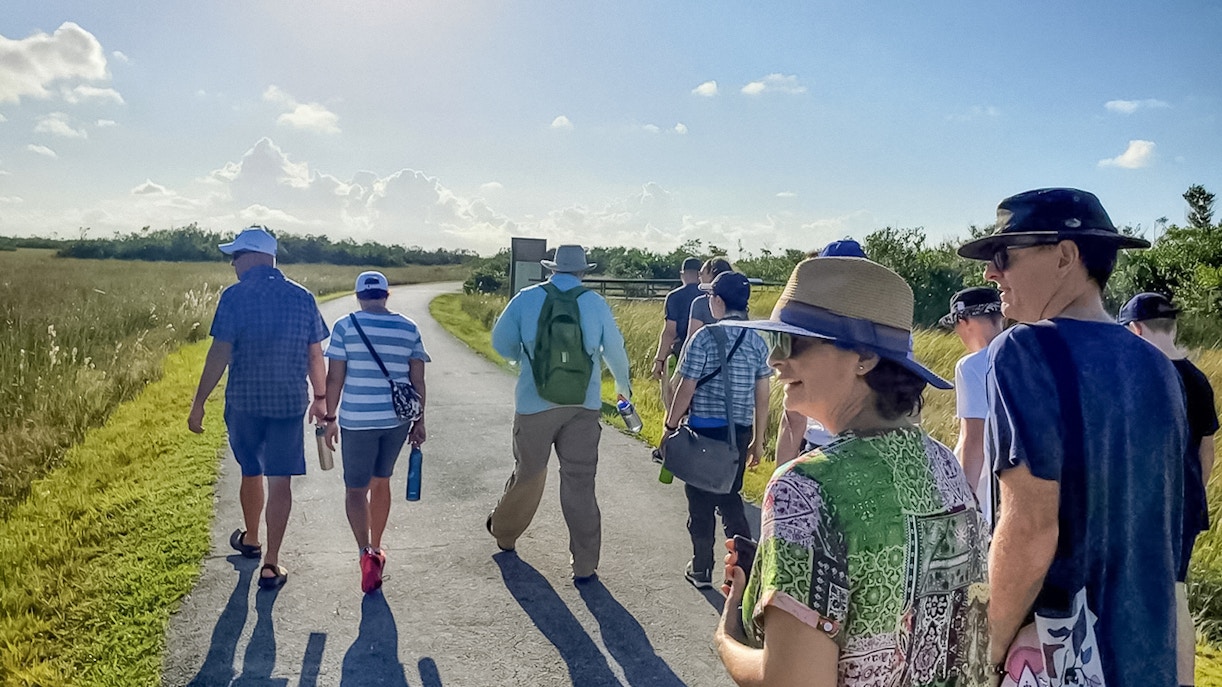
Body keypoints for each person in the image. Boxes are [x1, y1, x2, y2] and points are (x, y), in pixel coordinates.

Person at [716, 256, 988, 685]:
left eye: (792, 342)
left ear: (863, 356)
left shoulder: (805, 488)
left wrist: (728, 632)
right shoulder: (944, 466)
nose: (774, 359)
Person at [957, 188, 1187, 685]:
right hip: (1146, 648)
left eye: (1003, 256)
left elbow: (1030, 528)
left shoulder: (1023, 349)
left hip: (1062, 655)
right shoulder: (1158, 366)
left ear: (1065, 256)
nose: (989, 273)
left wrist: (986, 652)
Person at [188, 226, 329, 590]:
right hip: (288, 402)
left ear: (253, 257)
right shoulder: (303, 297)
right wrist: (321, 399)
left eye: (235, 256)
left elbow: (220, 351)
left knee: (250, 470)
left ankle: (251, 538)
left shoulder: (234, 297)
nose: (232, 264)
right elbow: (316, 354)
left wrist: (199, 402)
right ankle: (271, 563)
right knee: (279, 480)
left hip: (244, 402)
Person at [486, 244, 632, 582]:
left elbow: (500, 341)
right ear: (583, 271)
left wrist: (521, 360)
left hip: (534, 403)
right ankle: (584, 564)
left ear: (551, 269)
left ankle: (505, 534)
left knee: (529, 473)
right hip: (584, 405)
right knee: (580, 483)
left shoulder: (526, 298)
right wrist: (623, 387)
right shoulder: (594, 302)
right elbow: (615, 350)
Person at [1120, 291, 1218, 685]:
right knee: (1176, 595)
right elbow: (1206, 452)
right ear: (1172, 326)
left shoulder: (1140, 375)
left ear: (1135, 329)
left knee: (1133, 593)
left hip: (1142, 504)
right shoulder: (1197, 379)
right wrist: (1192, 493)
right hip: (1186, 505)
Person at [322, 271, 430, 594]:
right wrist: (420, 421)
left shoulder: (345, 326)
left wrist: (330, 418)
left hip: (357, 420)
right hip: (395, 421)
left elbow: (334, 379)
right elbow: (418, 381)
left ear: (358, 296)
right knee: (381, 482)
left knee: (356, 490)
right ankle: (378, 548)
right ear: (387, 295)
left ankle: (365, 553)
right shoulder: (409, 327)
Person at [663, 272, 771, 589]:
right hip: (738, 432)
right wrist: (758, 440)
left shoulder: (705, 337)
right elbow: (762, 395)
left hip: (704, 432)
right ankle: (745, 570)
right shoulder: (757, 340)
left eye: (711, 297)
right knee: (730, 497)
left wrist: (670, 426)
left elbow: (686, 387)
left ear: (719, 302)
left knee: (699, 500)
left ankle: (701, 567)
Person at [775, 238, 867, 464]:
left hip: (821, 453)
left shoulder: (808, 325)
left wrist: (779, 481)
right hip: (879, 453)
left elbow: (793, 421)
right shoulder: (891, 331)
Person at [938, 286, 1005, 528]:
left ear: (964, 321)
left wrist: (965, 505)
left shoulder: (971, 366)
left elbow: (973, 440)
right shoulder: (1027, 355)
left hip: (988, 492)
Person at [652, 257, 703, 411]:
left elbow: (669, 332)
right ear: (700, 274)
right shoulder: (710, 296)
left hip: (680, 353)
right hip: (708, 358)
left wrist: (659, 360)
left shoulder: (674, 297)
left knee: (673, 403)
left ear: (683, 274)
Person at [686, 257, 734, 342]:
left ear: (712, 275)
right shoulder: (737, 299)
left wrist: (683, 355)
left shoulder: (700, 303)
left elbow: (692, 337)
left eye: (701, 273)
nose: (699, 277)